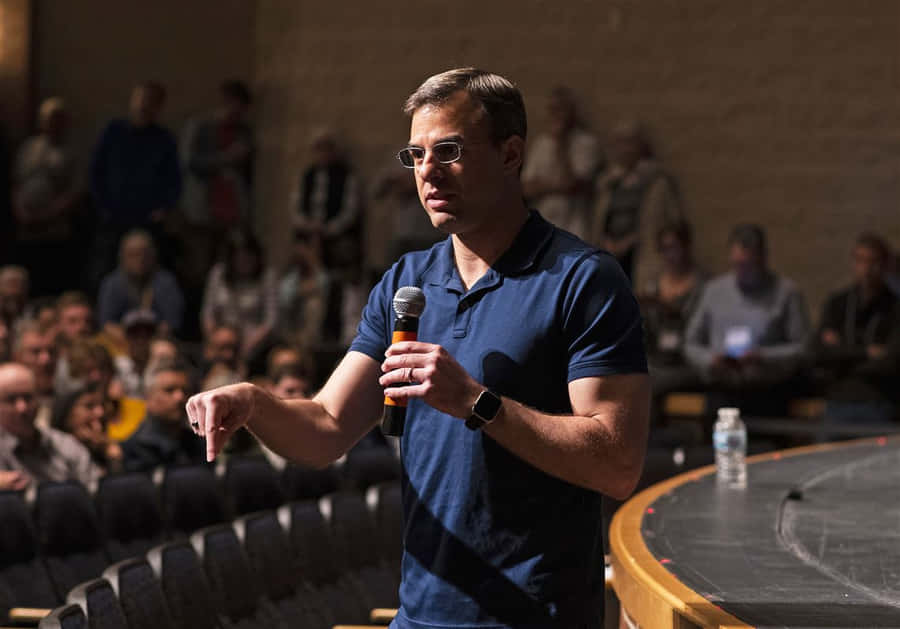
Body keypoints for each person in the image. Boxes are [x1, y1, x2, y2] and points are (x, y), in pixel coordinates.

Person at [187, 68, 649, 628]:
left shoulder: (582, 279)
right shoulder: (407, 282)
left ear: (510, 154)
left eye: (449, 150)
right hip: (423, 615)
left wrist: (479, 403)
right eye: (415, 155)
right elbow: (327, 427)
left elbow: (617, 463)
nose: (428, 171)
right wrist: (254, 404)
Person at [684, 224, 810, 415]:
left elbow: (803, 347)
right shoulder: (714, 291)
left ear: (763, 258)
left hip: (769, 392)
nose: (742, 271)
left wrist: (763, 356)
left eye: (748, 265)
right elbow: (690, 343)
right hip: (722, 389)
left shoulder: (786, 293)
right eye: (737, 264)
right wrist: (710, 360)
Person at [89, 82, 181, 280]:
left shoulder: (164, 139)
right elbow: (95, 171)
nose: (144, 105)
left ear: (159, 107)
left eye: (151, 101)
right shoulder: (113, 131)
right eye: (140, 99)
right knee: (104, 269)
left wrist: (164, 208)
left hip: (147, 219)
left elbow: (175, 179)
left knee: (148, 270)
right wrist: (102, 205)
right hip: (113, 216)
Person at [813, 234, 899, 423]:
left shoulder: (894, 308)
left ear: (884, 266)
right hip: (838, 399)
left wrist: (842, 351)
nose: (866, 269)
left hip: (879, 401)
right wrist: (867, 352)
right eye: (860, 261)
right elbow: (819, 353)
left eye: (873, 262)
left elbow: (890, 362)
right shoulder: (838, 303)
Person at [591, 120, 682, 286]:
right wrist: (607, 242)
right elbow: (599, 221)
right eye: (619, 142)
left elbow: (672, 223)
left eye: (630, 142)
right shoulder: (608, 183)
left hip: (643, 258)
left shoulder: (657, 183)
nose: (625, 149)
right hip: (609, 257)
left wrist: (633, 239)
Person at [11, 98, 83, 296]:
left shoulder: (70, 152)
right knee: (26, 277)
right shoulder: (27, 148)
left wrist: (47, 215)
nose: (51, 123)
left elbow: (74, 191)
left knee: (52, 278)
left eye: (57, 118)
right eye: (47, 118)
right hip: (25, 227)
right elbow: (16, 184)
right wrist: (20, 212)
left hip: (55, 229)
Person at [0, 362, 100, 489]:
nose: (22, 408)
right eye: (11, 399)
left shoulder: (63, 444)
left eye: (28, 397)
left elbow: (95, 490)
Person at [522, 86, 602, 241]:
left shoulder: (586, 143)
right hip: (544, 225)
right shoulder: (541, 144)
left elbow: (571, 183)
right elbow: (526, 189)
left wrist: (561, 144)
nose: (556, 115)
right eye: (552, 109)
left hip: (575, 227)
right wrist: (557, 186)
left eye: (560, 109)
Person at [201, 228, 278, 363]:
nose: (244, 262)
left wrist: (248, 346)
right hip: (221, 340)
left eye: (248, 257)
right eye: (239, 257)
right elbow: (208, 313)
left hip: (254, 345)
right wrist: (213, 340)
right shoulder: (218, 274)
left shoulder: (267, 277)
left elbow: (270, 321)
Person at [291, 128, 363, 270]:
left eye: (327, 148)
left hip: (335, 233)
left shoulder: (346, 176)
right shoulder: (307, 176)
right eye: (319, 149)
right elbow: (295, 207)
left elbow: (350, 211)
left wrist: (327, 229)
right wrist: (309, 225)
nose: (323, 154)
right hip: (309, 231)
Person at [97, 229, 185, 335]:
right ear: (122, 257)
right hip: (121, 341)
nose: (139, 260)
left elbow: (171, 321)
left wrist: (148, 341)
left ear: (153, 255)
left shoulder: (165, 282)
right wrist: (132, 342)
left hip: (157, 340)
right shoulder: (112, 284)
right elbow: (107, 323)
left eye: (144, 254)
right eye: (132, 255)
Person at [122, 359, 201, 473]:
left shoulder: (199, 443)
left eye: (185, 390)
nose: (180, 397)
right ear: (148, 396)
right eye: (169, 390)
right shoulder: (132, 451)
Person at [51, 384, 123, 475]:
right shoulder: (53, 454)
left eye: (102, 405)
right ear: (67, 413)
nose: (100, 412)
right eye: (89, 406)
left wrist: (112, 456)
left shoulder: (105, 449)